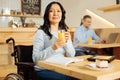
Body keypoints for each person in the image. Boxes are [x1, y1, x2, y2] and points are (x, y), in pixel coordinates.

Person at [32, 1, 77, 80]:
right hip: (45, 69)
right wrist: (53, 47)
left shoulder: (64, 32)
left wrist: (68, 42)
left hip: (61, 67)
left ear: (62, 14)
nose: (55, 13)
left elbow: (71, 55)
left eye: (58, 11)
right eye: (51, 11)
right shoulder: (41, 33)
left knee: (79, 76)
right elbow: (35, 59)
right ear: (47, 14)